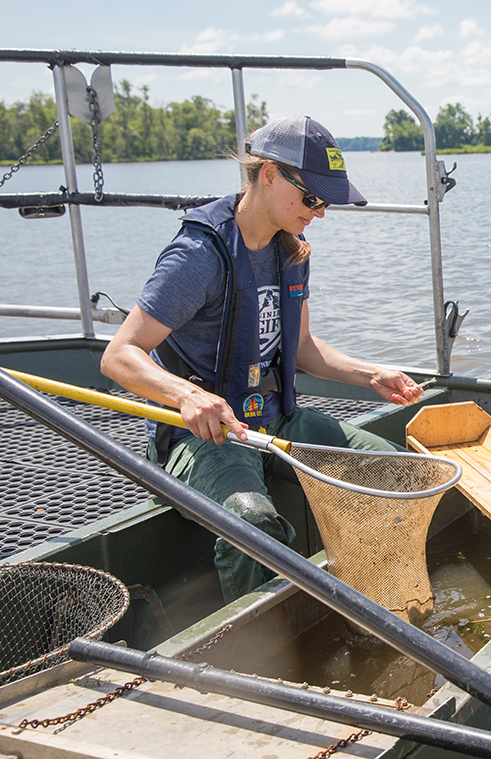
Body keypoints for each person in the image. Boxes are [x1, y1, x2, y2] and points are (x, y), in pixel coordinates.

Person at [101, 115, 426, 602]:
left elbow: (301, 349)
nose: (319, 212)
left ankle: (380, 601)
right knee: (252, 522)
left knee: (398, 474)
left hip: (276, 421)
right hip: (208, 435)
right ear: (269, 174)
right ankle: (264, 657)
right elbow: (119, 354)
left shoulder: (291, 250)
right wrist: (189, 396)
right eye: (312, 198)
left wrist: (370, 373)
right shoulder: (198, 256)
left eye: (326, 201)